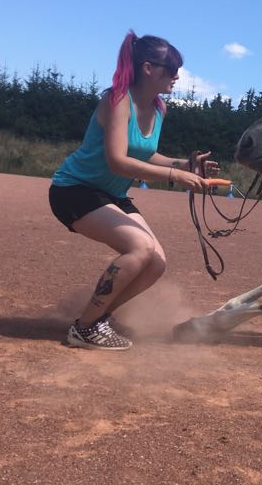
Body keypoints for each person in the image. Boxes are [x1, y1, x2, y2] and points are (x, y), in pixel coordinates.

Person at [48, 31, 219, 350]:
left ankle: (98, 317)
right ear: (148, 68)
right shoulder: (117, 100)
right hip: (74, 190)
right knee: (140, 247)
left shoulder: (158, 109)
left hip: (109, 195)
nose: (177, 76)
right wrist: (175, 176)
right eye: (171, 69)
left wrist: (185, 164)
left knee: (156, 262)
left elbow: (143, 153)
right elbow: (118, 160)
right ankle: (84, 328)